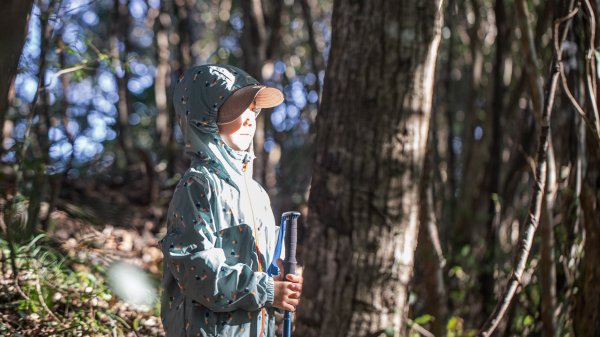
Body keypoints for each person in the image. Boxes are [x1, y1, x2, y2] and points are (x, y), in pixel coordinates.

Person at [160, 64, 303, 337]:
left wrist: (285, 278)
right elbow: (196, 269)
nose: (250, 119)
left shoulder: (256, 193)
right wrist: (267, 290)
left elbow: (270, 263)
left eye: (253, 109)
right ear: (205, 117)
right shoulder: (199, 185)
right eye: (237, 109)